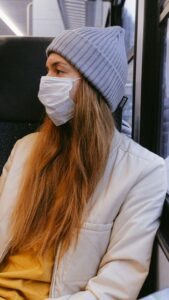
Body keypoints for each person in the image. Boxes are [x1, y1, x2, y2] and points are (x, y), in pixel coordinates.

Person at [0, 26, 167, 300]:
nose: (45, 80)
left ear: (91, 85)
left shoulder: (143, 172)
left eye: (59, 70)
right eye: (47, 70)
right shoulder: (24, 150)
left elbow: (114, 287)